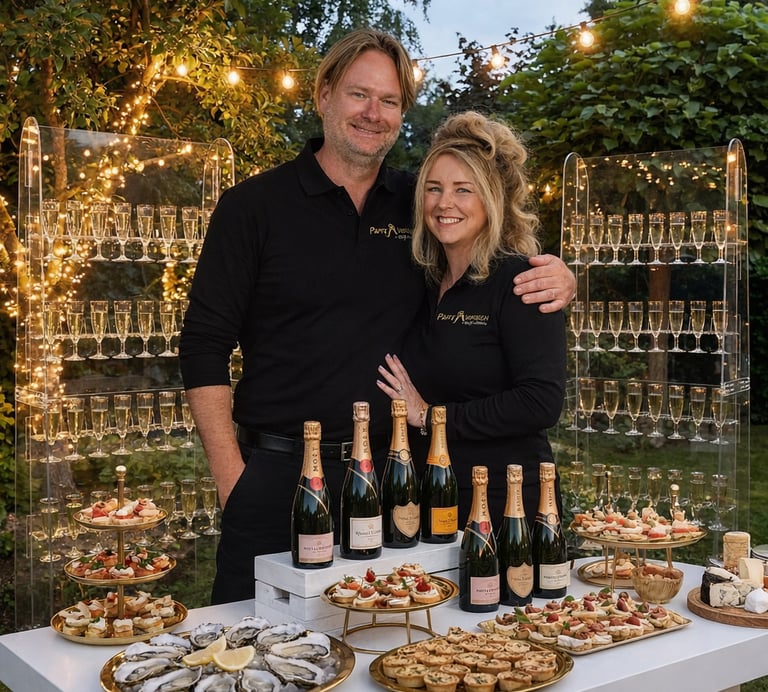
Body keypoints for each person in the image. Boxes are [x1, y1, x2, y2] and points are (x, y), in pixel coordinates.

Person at [179, 28, 575, 605]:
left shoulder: (417, 204)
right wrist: (231, 479)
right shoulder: (253, 207)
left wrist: (559, 275)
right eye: (359, 94)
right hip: (276, 477)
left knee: (386, 635)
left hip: (395, 482)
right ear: (323, 94)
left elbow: (484, 242)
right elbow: (202, 346)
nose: (374, 113)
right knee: (249, 633)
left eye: (389, 100)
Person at [376, 111, 566, 529]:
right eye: (434, 188)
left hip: (505, 504)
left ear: (491, 199)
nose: (444, 203)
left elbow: (541, 401)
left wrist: (431, 415)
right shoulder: (423, 280)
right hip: (431, 494)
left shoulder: (521, 281)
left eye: (464, 190)